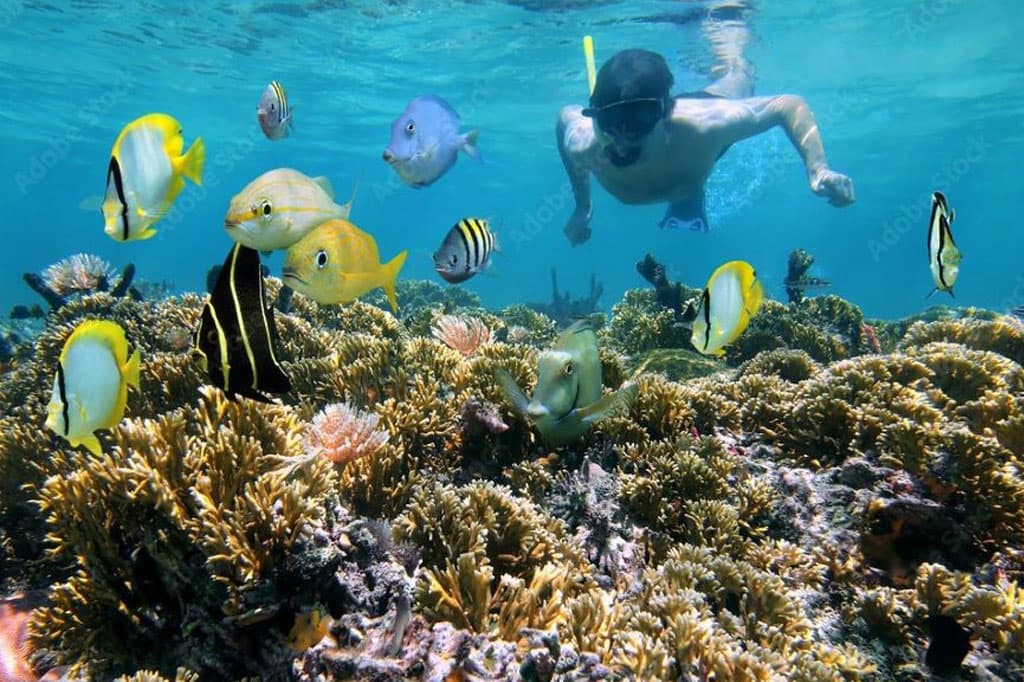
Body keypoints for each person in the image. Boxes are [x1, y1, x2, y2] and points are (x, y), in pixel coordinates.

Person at [556, 4, 855, 245]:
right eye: (611, 121)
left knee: (737, 75)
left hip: (698, 121)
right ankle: (689, 194)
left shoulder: (707, 126)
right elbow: (565, 116)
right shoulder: (583, 143)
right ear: (595, 116)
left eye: (639, 119)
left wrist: (818, 168)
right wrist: (583, 206)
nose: (623, 137)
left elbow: (786, 104)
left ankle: (726, 34)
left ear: (664, 112)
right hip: (682, 157)